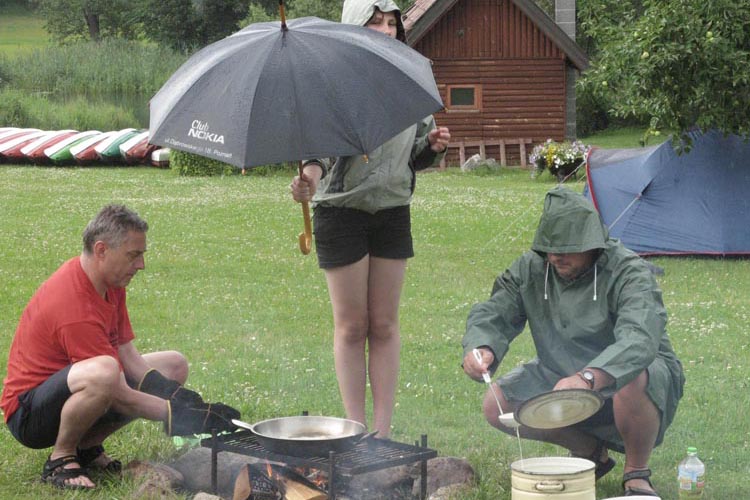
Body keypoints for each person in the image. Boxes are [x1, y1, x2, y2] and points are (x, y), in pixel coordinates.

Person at [290, 0, 451, 439]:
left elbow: (412, 154)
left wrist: (432, 146)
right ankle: (354, 430)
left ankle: (381, 435)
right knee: (352, 326)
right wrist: (309, 178)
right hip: (340, 212)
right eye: (375, 22)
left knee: (383, 325)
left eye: (391, 23)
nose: (386, 30)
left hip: (392, 211)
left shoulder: (409, 78)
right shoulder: (333, 85)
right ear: (354, 27)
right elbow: (321, 150)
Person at [462, 187, 684, 497]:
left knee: (631, 377)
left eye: (566, 248)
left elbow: (640, 339)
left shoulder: (627, 271)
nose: (555, 256)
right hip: (560, 370)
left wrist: (588, 377)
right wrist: (482, 345)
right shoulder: (531, 268)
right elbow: (496, 310)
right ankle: (591, 453)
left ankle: (636, 473)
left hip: (635, 373)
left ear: (591, 243)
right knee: (495, 404)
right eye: (549, 247)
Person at [1, 204, 240, 490]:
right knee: (104, 373)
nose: (141, 265)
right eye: (133, 255)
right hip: (29, 414)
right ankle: (61, 458)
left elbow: (126, 352)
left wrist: (174, 394)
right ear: (101, 250)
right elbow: (119, 394)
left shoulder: (109, 282)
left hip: (74, 386)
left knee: (173, 365)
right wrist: (180, 415)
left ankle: (87, 447)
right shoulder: (72, 303)